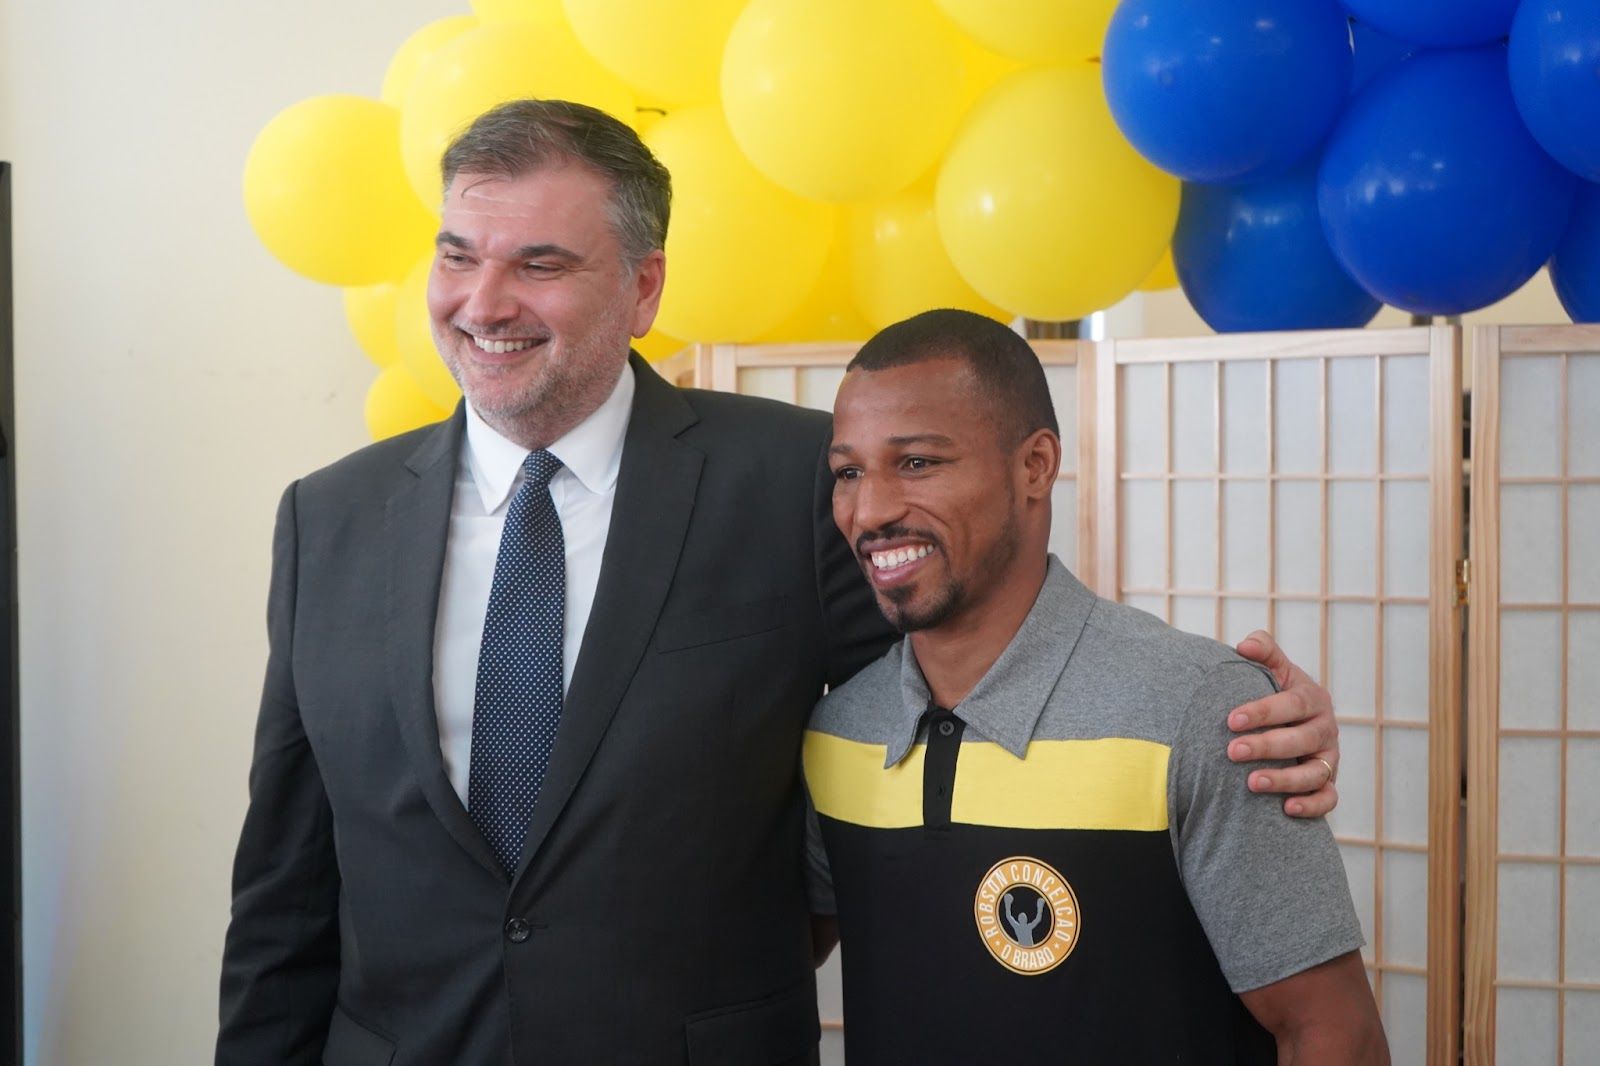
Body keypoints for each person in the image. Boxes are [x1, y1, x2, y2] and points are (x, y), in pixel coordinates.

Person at [216, 100, 1345, 1066]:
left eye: (540, 263)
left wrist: (1227, 720)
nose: (483, 300)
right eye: (459, 252)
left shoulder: (802, 479)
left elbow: (980, 654)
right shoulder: (329, 519)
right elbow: (285, 886)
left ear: (642, 286)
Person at [806, 309, 1386, 1064]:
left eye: (917, 463)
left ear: (1035, 466)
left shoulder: (1201, 710)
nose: (870, 509)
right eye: (848, 472)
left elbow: (1331, 1032)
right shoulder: (839, 730)